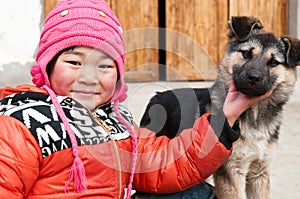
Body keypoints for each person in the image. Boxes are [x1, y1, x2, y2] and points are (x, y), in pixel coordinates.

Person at [0, 0, 273, 198]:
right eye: (73, 61)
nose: (88, 77)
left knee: (195, 193)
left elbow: (167, 162)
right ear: (47, 66)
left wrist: (225, 116)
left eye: (104, 66)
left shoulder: (115, 122)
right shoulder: (22, 122)